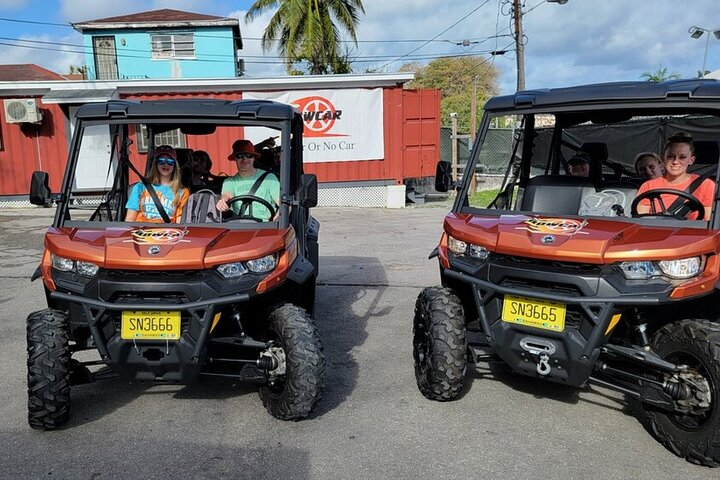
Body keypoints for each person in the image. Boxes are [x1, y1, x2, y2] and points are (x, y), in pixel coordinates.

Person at [635, 133, 716, 220]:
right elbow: (641, 221)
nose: (675, 161)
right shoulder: (648, 186)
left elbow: (709, 222)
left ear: (691, 160)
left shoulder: (706, 185)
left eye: (682, 157)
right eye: (670, 156)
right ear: (663, 158)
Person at [216, 139, 280, 221]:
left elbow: (283, 203)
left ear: (254, 158)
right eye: (240, 155)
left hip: (265, 227)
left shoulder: (269, 178)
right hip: (240, 228)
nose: (245, 159)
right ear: (235, 158)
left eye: (248, 155)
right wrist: (223, 202)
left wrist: (278, 218)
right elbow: (227, 195)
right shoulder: (230, 182)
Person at [125, 145, 190, 222]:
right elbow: (129, 220)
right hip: (141, 231)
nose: (165, 165)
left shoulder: (182, 192)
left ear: (175, 165)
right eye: (161, 161)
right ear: (155, 164)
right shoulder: (140, 187)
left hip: (168, 232)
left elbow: (180, 223)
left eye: (170, 162)